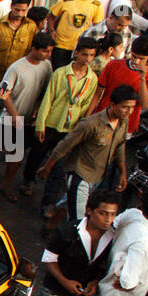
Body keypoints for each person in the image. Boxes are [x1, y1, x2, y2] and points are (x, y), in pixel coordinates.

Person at [28, 188, 119, 296]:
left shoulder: (112, 237)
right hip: (53, 294)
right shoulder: (69, 230)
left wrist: (94, 282)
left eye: (113, 214)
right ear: (89, 211)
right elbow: (49, 258)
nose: (108, 219)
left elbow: (102, 265)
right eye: (103, 213)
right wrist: (65, 281)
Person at [39, 84, 133, 229]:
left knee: (68, 204)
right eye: (125, 107)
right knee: (80, 222)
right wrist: (47, 167)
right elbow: (65, 145)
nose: (129, 111)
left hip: (96, 177)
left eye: (131, 107)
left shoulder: (123, 122)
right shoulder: (90, 124)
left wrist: (123, 173)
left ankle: (50, 227)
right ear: (113, 104)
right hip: (80, 175)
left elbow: (120, 147)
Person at [32, 37, 100, 211]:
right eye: (84, 54)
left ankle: (48, 202)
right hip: (52, 122)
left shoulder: (91, 79)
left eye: (91, 55)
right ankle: (28, 180)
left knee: (58, 165)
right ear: (76, 53)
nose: (87, 59)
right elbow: (48, 98)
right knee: (38, 154)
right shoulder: (61, 73)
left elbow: (86, 105)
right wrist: (41, 123)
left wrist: (80, 129)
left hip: (71, 128)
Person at [0, 31, 55, 198]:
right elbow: (3, 93)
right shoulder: (16, 68)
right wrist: (15, 116)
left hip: (28, 119)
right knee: (2, 147)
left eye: (49, 52)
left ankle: (5, 181)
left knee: (14, 152)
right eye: (45, 51)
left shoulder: (46, 66)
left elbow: (45, 91)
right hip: (11, 118)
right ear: (34, 48)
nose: (48, 55)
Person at [89, 33, 148, 137]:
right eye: (134, 56)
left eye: (141, 59)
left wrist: (142, 78)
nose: (136, 61)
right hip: (103, 118)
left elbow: (145, 104)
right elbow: (97, 93)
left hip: (126, 125)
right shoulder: (113, 65)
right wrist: (88, 116)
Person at [47, 0, 105, 66]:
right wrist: (52, 30)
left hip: (80, 49)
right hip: (60, 46)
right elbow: (52, 16)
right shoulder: (66, 0)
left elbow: (97, 26)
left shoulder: (97, 5)